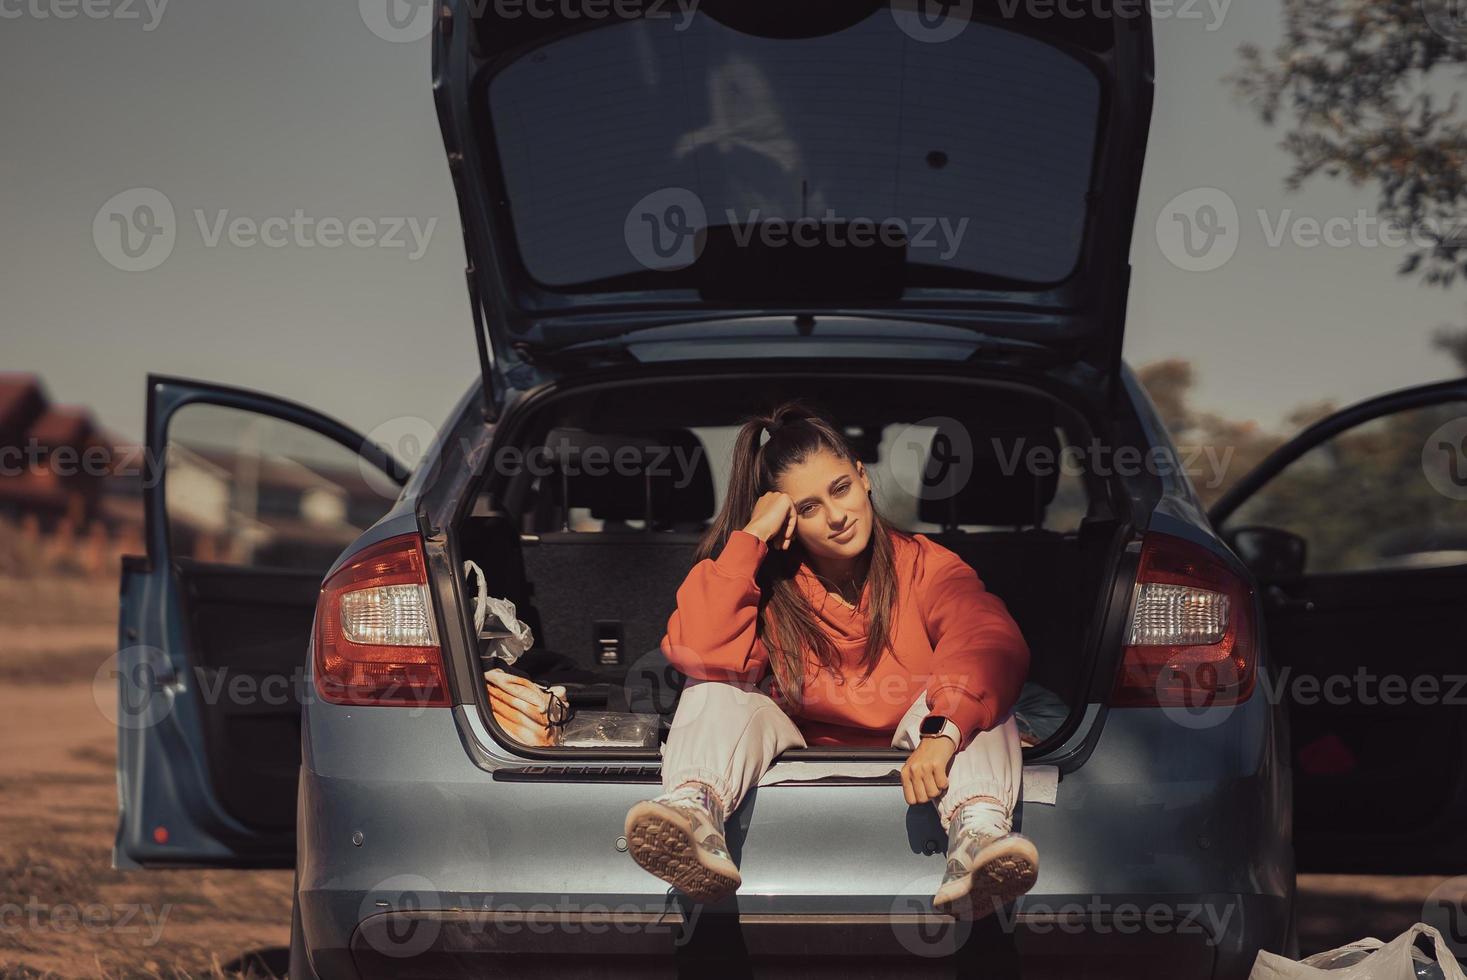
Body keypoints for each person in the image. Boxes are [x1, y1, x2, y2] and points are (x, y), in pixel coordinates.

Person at [623, 400, 1038, 919]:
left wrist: (945, 730)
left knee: (979, 703)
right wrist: (750, 540)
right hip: (796, 744)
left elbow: (984, 637)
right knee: (710, 686)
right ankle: (692, 814)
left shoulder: (925, 565)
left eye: (840, 489)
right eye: (807, 507)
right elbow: (697, 651)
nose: (837, 517)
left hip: (925, 750)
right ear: (783, 517)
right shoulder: (767, 579)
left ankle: (977, 838)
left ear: (863, 476)